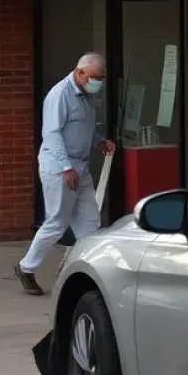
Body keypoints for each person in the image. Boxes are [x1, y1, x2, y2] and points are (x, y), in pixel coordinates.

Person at [14, 52, 115, 296]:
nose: (98, 83)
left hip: (80, 166)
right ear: (80, 73)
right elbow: (53, 133)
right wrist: (65, 167)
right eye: (94, 78)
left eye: (101, 78)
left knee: (90, 222)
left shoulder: (86, 97)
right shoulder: (60, 95)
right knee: (58, 221)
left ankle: (84, 273)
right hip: (60, 166)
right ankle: (26, 267)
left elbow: (84, 129)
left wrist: (99, 142)